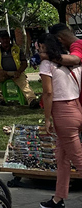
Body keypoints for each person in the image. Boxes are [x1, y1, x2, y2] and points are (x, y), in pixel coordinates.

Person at [37, 32, 82, 208]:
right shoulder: (74, 64)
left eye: (41, 48)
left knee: (78, 160)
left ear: (47, 48)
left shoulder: (47, 65)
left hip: (63, 113)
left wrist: (47, 119)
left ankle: (58, 199)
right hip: (77, 109)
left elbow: (48, 93)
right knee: (62, 157)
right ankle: (58, 198)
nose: (39, 51)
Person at [0, 34, 39, 108]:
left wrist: (19, 71)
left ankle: (31, 100)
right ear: (0, 40)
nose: (5, 41)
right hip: (2, 72)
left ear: (9, 39)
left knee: (24, 84)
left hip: (16, 72)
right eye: (3, 39)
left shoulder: (17, 49)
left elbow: (24, 63)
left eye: (7, 39)